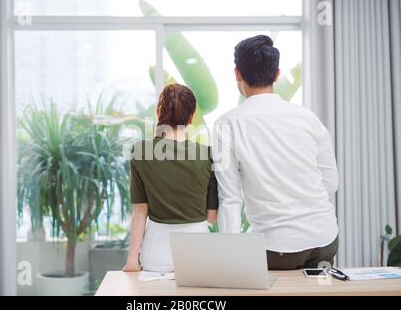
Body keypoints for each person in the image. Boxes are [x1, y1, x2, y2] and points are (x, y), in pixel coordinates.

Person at [212, 35, 339, 270]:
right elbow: (331, 183)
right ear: (277, 75)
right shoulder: (308, 118)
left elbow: (230, 198)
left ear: (237, 74)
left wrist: (229, 259)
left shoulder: (226, 124)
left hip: (273, 248)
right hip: (324, 240)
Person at [123, 83, 219, 273]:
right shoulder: (207, 155)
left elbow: (140, 210)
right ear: (191, 117)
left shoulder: (141, 151)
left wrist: (132, 260)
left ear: (160, 114)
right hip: (199, 253)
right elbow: (212, 216)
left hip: (156, 253)